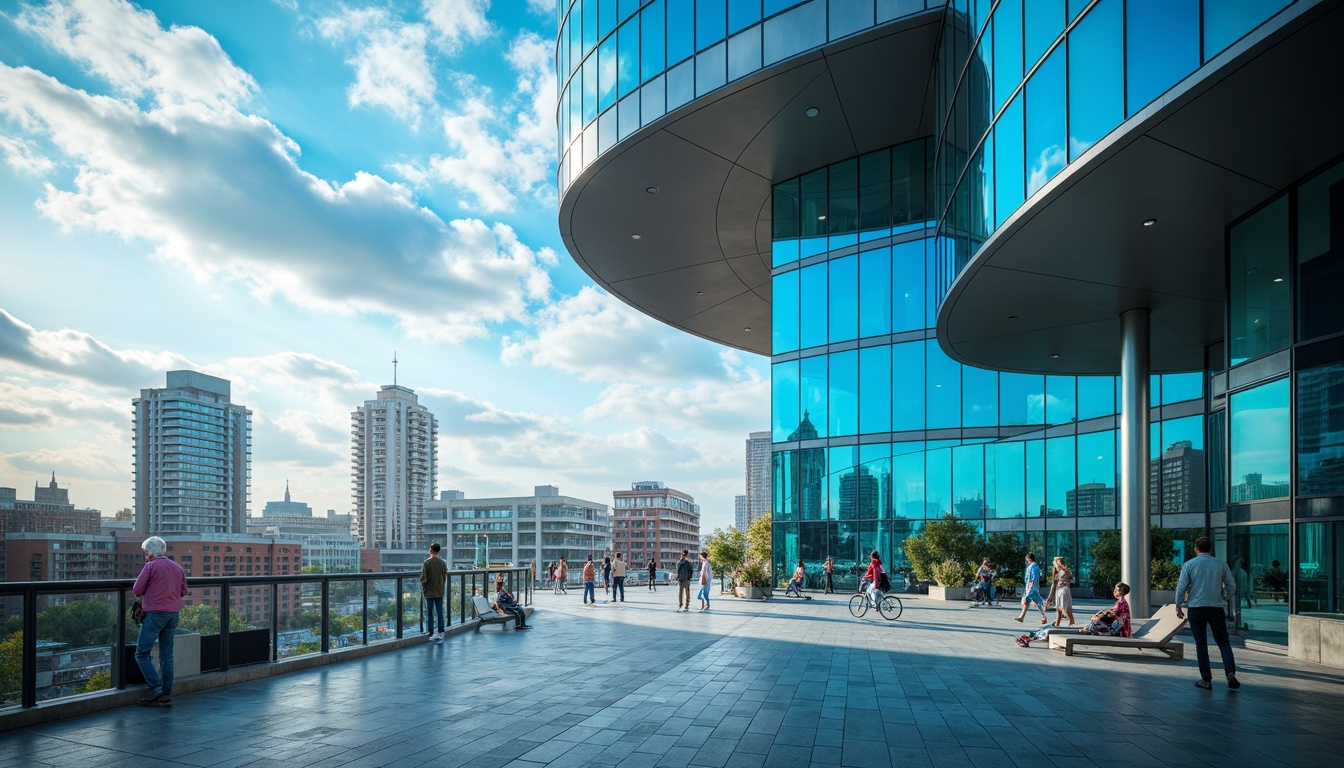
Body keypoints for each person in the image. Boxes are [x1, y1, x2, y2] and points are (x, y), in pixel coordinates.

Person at [1176, 536, 1240, 690]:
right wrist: (1223, 597)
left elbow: (1181, 587)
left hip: (1196, 608)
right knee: (1223, 641)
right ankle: (1230, 673)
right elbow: (1232, 585)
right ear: (1210, 548)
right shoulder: (1221, 564)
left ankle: (1206, 679)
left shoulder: (1189, 565)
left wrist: (1178, 605)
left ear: (1196, 549)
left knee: (1201, 644)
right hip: (1216, 607)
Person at [132, 536, 188, 707]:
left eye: (145, 552)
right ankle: (167, 695)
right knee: (166, 655)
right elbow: (183, 591)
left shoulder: (151, 566)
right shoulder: (177, 568)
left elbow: (137, 590)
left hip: (155, 614)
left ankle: (157, 689)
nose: (145, 556)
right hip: (173, 614)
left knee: (141, 653)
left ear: (151, 552)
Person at [1017, 582, 1130, 647]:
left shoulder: (1121, 604)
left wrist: (1097, 617)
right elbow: (1109, 614)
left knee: (1076, 629)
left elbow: (1110, 615)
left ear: (1122, 592)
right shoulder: (1121, 603)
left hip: (1113, 631)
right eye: (1115, 589)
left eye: (1117, 589)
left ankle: (1032, 638)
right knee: (1076, 627)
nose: (1114, 591)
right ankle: (1034, 635)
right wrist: (1098, 616)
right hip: (1109, 628)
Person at [420, 542, 448, 642]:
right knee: (440, 612)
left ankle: (430, 630)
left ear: (430, 551)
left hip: (429, 592)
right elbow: (445, 576)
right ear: (439, 551)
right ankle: (441, 631)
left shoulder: (427, 563)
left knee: (430, 612)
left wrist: (424, 587)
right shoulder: (442, 563)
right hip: (439, 591)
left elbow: (423, 578)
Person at [1014, 553, 1048, 624]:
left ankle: (1022, 617)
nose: (1026, 561)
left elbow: (1035, 576)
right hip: (1029, 587)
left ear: (1029, 558)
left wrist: (1032, 584)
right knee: (1034, 602)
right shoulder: (1031, 566)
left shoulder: (1034, 566)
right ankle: (1022, 617)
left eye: (1027, 559)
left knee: (1035, 602)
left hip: (1032, 588)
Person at [1045, 556, 1075, 627]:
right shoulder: (1057, 574)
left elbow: (1066, 571)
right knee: (1058, 609)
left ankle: (1071, 622)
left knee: (1066, 608)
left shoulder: (1065, 571)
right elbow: (1053, 587)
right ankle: (1057, 624)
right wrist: (1049, 600)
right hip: (1058, 591)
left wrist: (1057, 561)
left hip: (1064, 591)